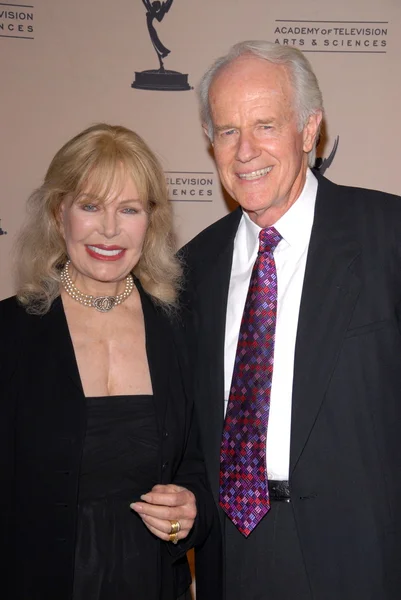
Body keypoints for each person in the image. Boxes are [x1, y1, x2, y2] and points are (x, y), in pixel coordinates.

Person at [181, 40, 401, 600]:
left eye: (265, 125)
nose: (245, 150)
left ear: (309, 131)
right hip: (233, 556)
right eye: (227, 130)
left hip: (364, 558)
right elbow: (187, 437)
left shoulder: (387, 235)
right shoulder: (191, 270)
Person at [0, 123, 220, 600]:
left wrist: (193, 506)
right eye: (91, 206)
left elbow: (203, 463)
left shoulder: (183, 329)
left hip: (155, 583)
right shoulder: (10, 333)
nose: (110, 229)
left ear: (151, 221)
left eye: (129, 209)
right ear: (60, 214)